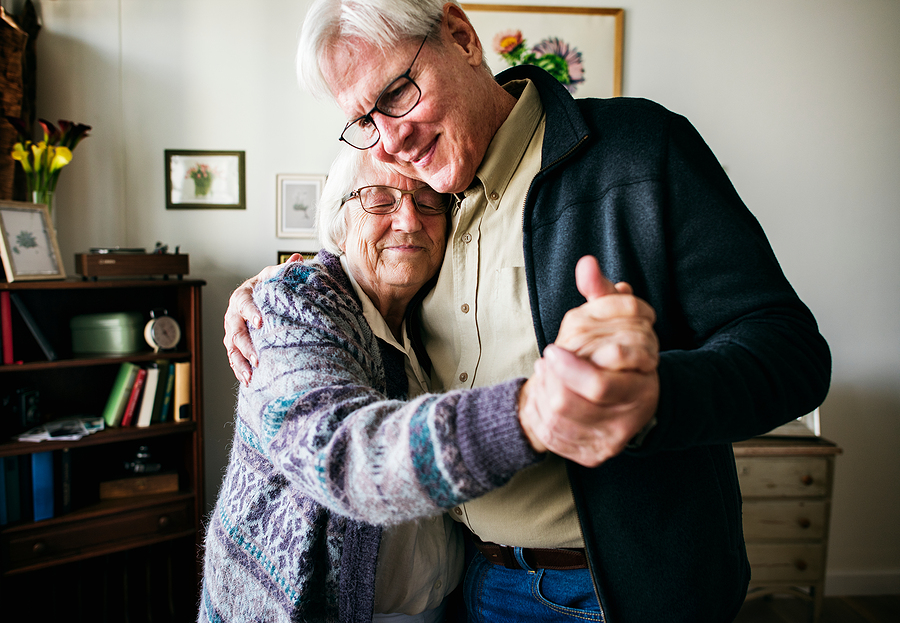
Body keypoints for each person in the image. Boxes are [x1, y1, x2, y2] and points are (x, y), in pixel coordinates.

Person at [223, 1, 832, 621]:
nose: (392, 140)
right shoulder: (431, 200)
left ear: (462, 36)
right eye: (364, 120)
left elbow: (791, 352)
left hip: (617, 594)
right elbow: (362, 262)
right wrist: (278, 287)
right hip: (467, 586)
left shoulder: (640, 149)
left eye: (398, 93)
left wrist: (654, 393)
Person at [202, 146, 650, 622]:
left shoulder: (428, 314)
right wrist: (531, 412)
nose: (409, 220)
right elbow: (337, 451)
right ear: (339, 222)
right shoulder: (295, 303)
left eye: (428, 200)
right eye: (380, 199)